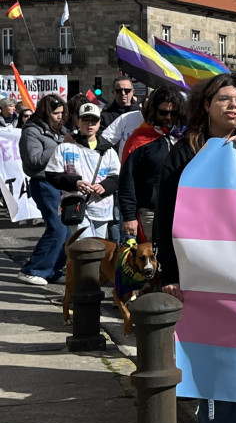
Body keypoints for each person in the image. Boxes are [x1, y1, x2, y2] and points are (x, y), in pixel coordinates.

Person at [155, 74, 236, 423]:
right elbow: (165, 217)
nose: (233, 106)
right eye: (225, 99)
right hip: (200, 267)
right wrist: (170, 275)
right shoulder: (185, 153)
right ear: (206, 105)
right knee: (215, 346)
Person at [44, 103, 120, 240]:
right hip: (76, 205)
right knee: (86, 245)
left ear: (99, 123)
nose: (89, 124)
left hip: (102, 207)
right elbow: (52, 174)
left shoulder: (108, 150)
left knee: (99, 247)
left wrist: (105, 186)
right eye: (85, 120)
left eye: (94, 120)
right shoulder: (66, 147)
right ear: (78, 121)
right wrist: (75, 183)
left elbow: (117, 176)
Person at [118, 90, 184, 243]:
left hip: (180, 211)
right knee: (152, 261)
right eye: (163, 112)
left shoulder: (184, 138)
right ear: (153, 111)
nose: (168, 117)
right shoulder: (138, 140)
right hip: (149, 211)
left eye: (173, 113)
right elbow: (126, 181)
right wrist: (129, 216)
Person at [17, 95, 70, 286]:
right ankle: (33, 269)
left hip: (61, 184)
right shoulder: (31, 131)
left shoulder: (61, 131)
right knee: (57, 228)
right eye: (55, 113)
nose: (59, 117)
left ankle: (52, 269)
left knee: (67, 231)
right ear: (46, 113)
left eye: (62, 113)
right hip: (44, 183)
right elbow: (34, 160)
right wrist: (62, 146)